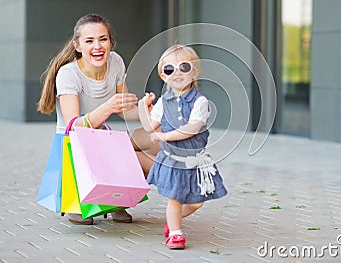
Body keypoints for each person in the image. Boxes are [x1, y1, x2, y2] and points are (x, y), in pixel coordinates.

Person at [37, 13, 159, 225]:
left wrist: (144, 109)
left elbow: (123, 111)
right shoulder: (68, 74)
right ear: (77, 45)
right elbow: (74, 126)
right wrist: (107, 107)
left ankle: (117, 199)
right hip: (74, 145)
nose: (98, 46)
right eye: (89, 41)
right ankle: (94, 199)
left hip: (101, 137)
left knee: (156, 138)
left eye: (103, 39)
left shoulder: (116, 62)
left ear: (111, 42)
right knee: (136, 157)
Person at [138, 44, 227, 249]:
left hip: (194, 160)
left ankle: (173, 222)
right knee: (175, 198)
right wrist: (144, 107)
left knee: (196, 202)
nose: (177, 73)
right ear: (163, 75)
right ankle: (175, 233)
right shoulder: (163, 101)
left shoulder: (200, 101)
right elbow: (150, 126)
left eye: (184, 67)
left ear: (194, 71)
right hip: (173, 160)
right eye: (170, 69)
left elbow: (191, 129)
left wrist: (165, 136)